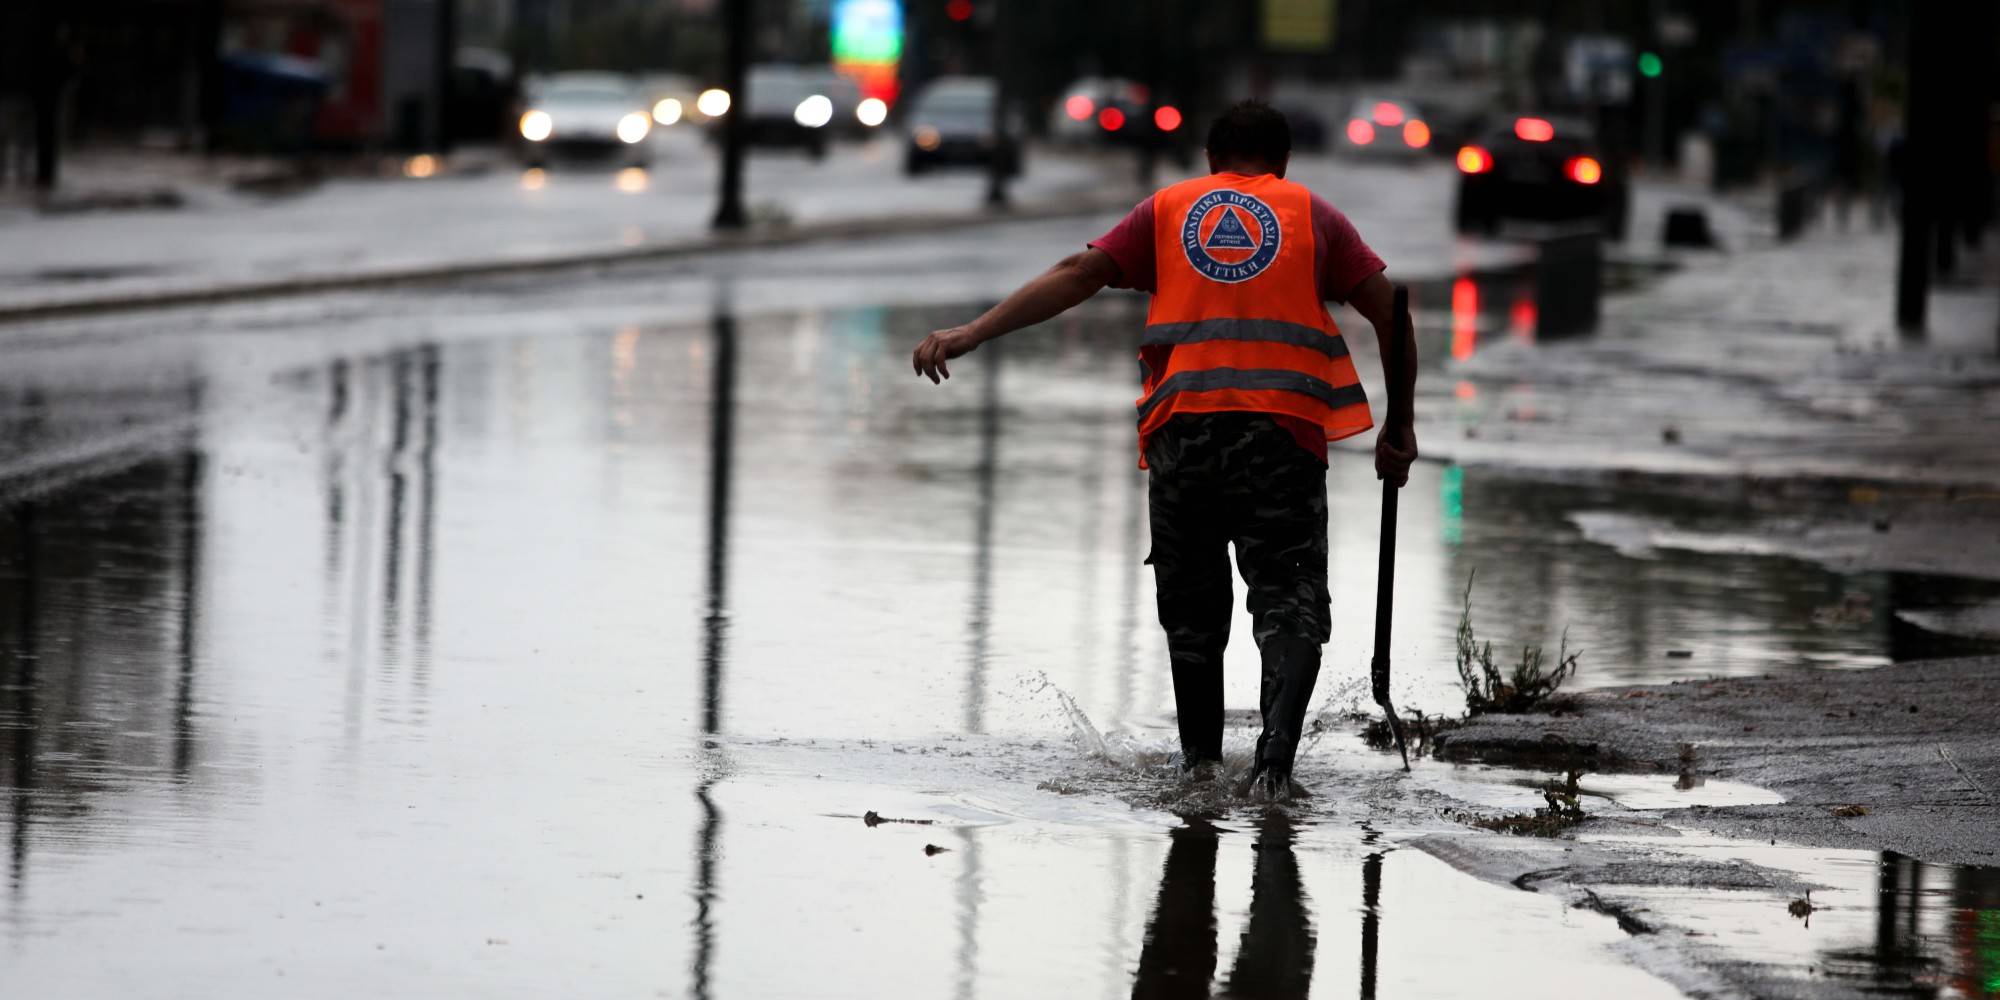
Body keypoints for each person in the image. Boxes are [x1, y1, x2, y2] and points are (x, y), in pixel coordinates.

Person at [911, 100, 1417, 798]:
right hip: (1283, 434)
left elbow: (1077, 274)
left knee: (1192, 608)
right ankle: (1274, 767)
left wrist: (974, 332)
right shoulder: (1313, 215)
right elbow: (1391, 311)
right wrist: (1399, 428)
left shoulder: (1169, 208)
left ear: (1211, 161)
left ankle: (1201, 768)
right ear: (1284, 163)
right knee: (1289, 596)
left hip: (1185, 434)